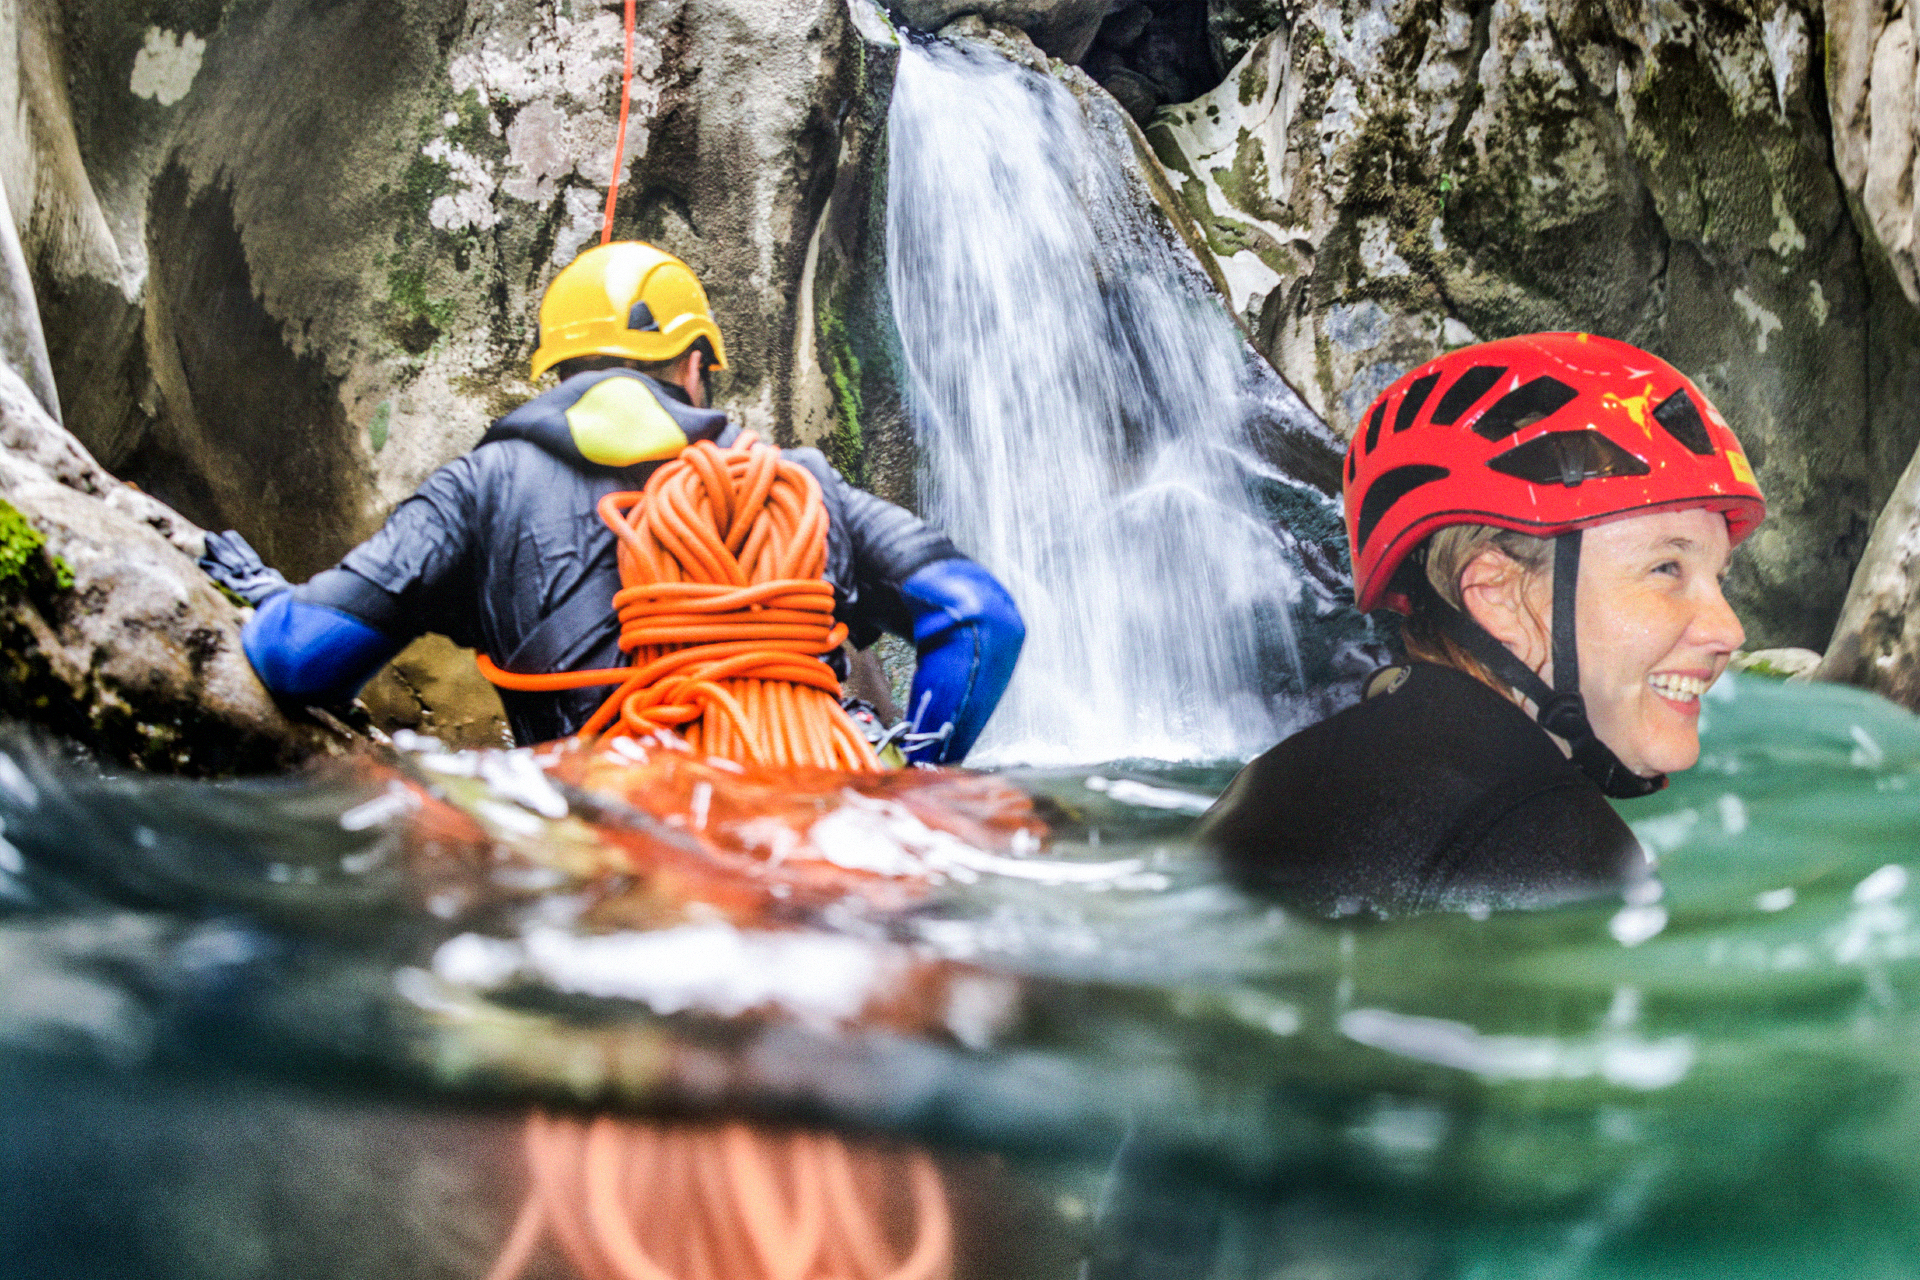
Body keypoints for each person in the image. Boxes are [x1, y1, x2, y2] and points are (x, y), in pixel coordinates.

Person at [200, 241, 1024, 763]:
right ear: (695, 365)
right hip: (820, 833)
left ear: (557, 373)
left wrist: (274, 601)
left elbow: (297, 660)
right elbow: (983, 618)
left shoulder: (480, 490)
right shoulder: (797, 484)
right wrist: (913, 775)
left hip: (606, 860)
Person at [1198, 332, 1766, 915]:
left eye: (1718, 578)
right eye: (1666, 568)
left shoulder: (1283, 778)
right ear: (1498, 596)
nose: (1729, 631)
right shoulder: (1539, 836)